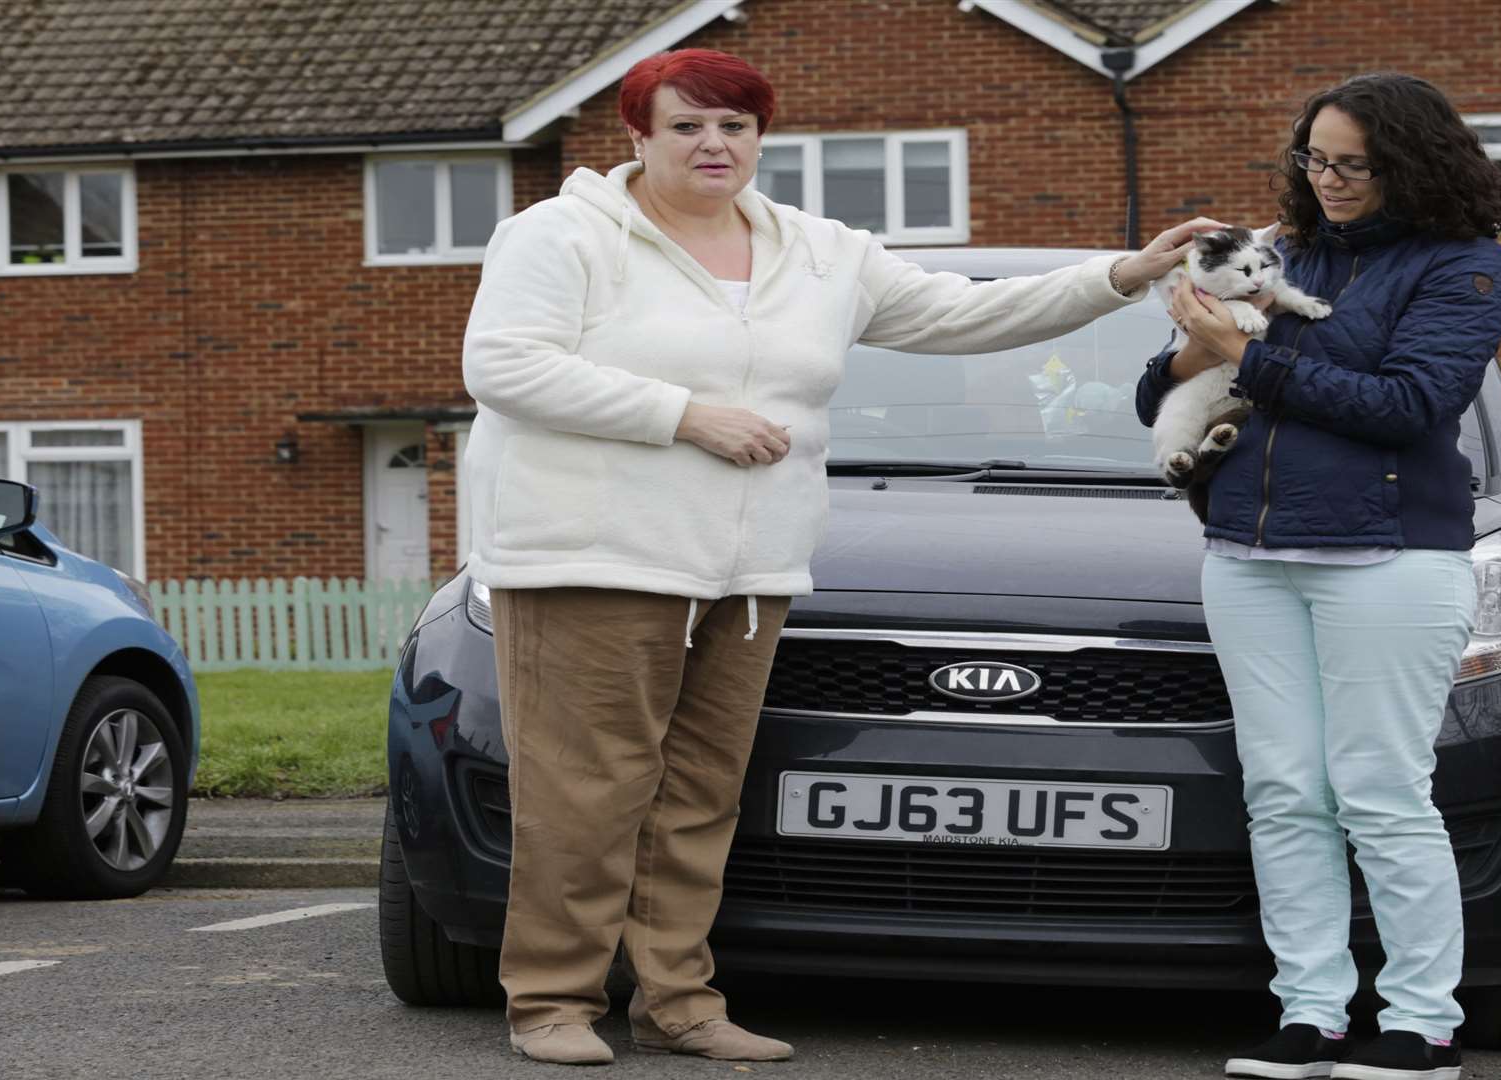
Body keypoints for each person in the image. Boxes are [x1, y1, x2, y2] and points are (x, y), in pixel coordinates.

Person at [457, 47, 1219, 1067]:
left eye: (735, 125)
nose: (713, 144)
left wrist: (1123, 275)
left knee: (699, 798)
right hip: (594, 559)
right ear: (636, 136)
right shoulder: (562, 234)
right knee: (586, 793)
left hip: (750, 571)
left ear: (762, 137)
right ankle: (551, 1001)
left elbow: (965, 312)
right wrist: (686, 417)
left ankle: (679, 1001)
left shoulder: (820, 251)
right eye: (686, 125)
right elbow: (505, 364)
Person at [1138, 73, 1501, 1080]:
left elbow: (1407, 402)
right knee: (1283, 791)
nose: (1331, 178)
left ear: (1412, 163)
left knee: (1382, 792)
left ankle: (1423, 1022)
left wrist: (1247, 355)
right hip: (1249, 559)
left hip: (1389, 560)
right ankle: (1310, 1012)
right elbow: (1158, 387)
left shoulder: (1465, 268)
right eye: (1317, 158)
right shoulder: (1281, 251)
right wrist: (1195, 351)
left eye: (1356, 163)